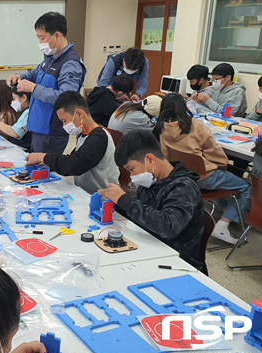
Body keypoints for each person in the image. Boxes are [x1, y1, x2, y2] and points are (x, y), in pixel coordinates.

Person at [99, 131, 206, 272]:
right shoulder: (152, 180)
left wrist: (123, 200)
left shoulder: (184, 187)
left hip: (176, 264)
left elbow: (167, 226)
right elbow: (142, 214)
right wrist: (115, 203)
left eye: (131, 170)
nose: (132, 177)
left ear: (150, 159)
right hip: (148, 246)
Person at [153, 93, 250, 245]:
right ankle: (223, 224)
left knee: (226, 180)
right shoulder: (195, 125)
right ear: (183, 107)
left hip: (180, 177)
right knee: (246, 187)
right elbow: (214, 151)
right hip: (204, 176)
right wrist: (222, 165)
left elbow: (165, 156)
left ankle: (226, 209)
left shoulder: (161, 127)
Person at [7, 12, 86, 155]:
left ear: (57, 35)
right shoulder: (51, 57)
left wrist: (34, 88)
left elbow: (66, 97)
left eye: (42, 38)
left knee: (44, 173)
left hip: (52, 133)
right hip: (38, 127)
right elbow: (36, 73)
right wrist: (19, 76)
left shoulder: (70, 63)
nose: (40, 43)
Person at [26, 91, 119, 195]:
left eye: (65, 121)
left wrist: (44, 157)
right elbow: (71, 158)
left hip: (101, 197)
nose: (64, 125)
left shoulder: (98, 137)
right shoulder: (83, 134)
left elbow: (75, 164)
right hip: (85, 192)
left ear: (79, 113)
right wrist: (48, 164)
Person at [0, 83, 32, 151]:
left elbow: (16, 133)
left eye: (14, 98)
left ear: (24, 97)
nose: (12, 102)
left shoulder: (28, 112)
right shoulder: (24, 111)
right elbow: (11, 131)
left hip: (22, 149)